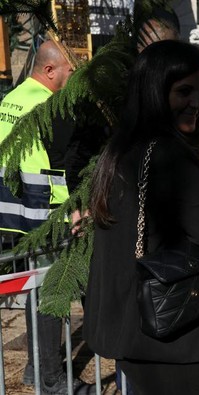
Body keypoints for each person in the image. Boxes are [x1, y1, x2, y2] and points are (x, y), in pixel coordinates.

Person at [81, 40, 199, 395]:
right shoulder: (171, 157)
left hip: (132, 329)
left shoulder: (120, 150)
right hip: (166, 335)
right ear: (155, 91)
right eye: (184, 91)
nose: (197, 103)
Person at [0, 39, 81, 394]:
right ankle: (51, 380)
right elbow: (61, 166)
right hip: (46, 217)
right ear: (49, 70)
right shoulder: (50, 106)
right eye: (69, 71)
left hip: (11, 216)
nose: (72, 77)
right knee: (52, 296)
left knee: (34, 291)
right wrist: (75, 209)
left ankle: (35, 368)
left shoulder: (10, 100)